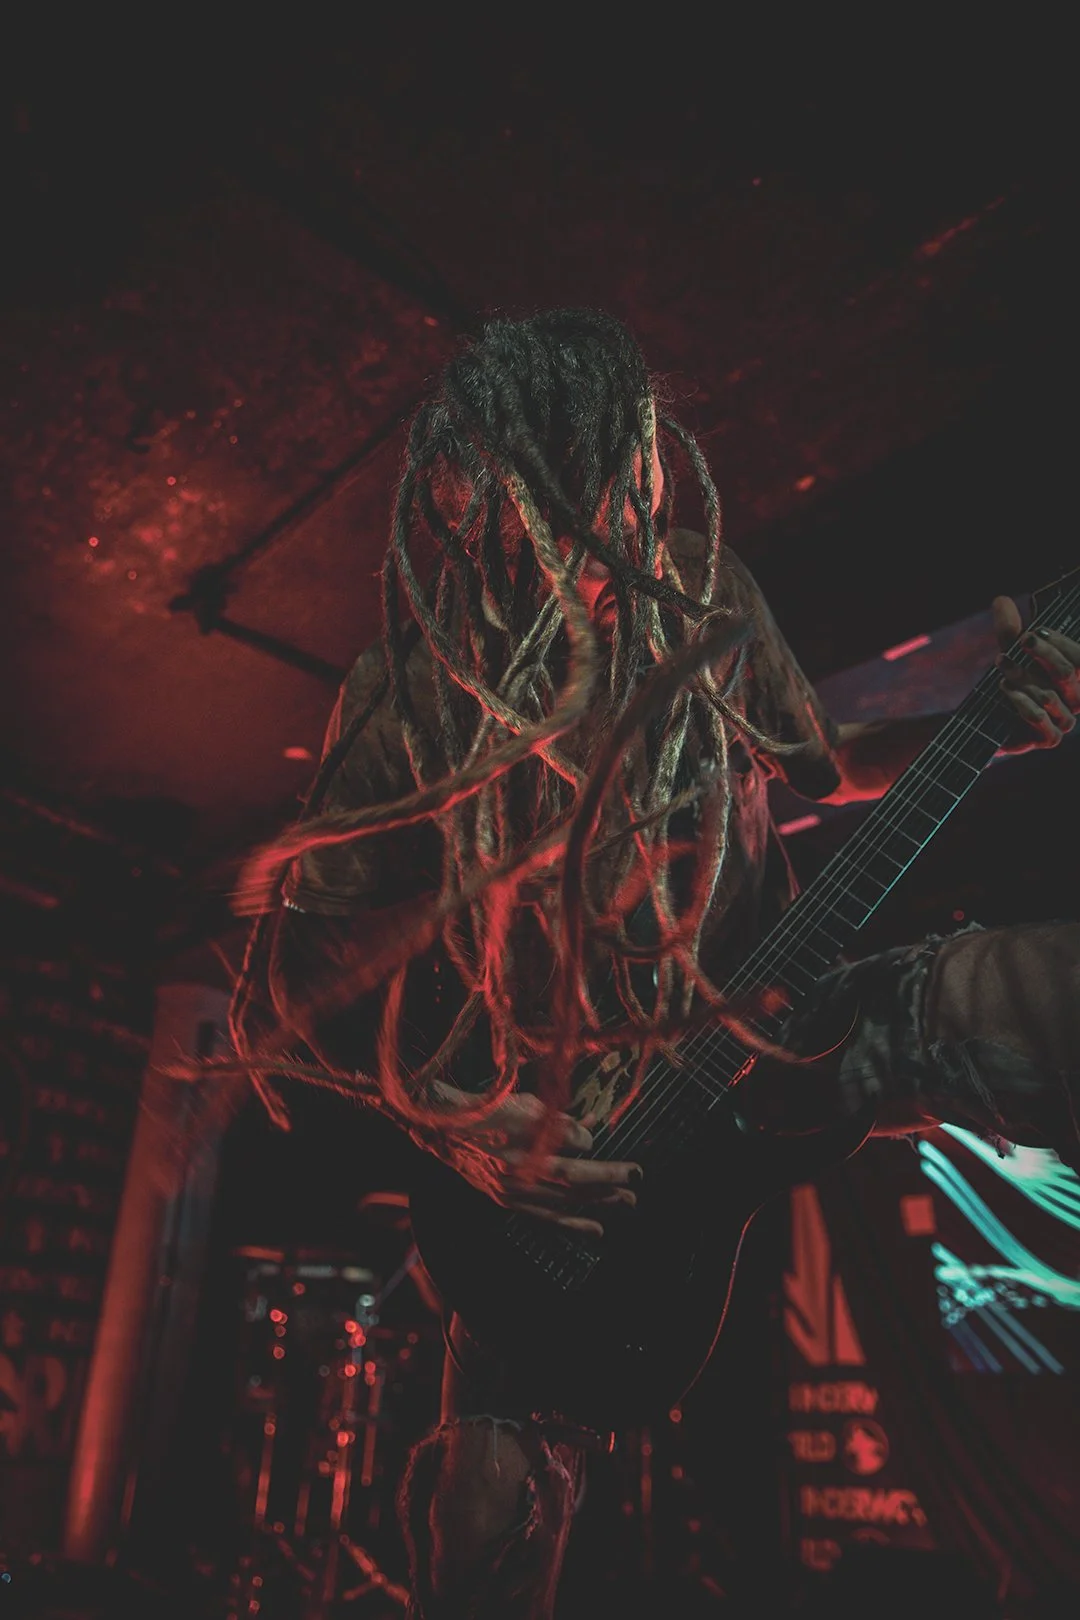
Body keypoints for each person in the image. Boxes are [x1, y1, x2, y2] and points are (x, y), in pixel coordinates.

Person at [229, 310, 1080, 1618]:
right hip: (555, 1142)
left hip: (783, 1025)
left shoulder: (707, 590)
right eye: (564, 503)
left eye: (628, 479)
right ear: (474, 498)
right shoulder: (407, 689)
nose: (613, 532)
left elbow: (826, 765)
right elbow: (294, 975)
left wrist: (983, 726)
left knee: (1048, 997)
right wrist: (454, 1127)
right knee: (478, 1520)